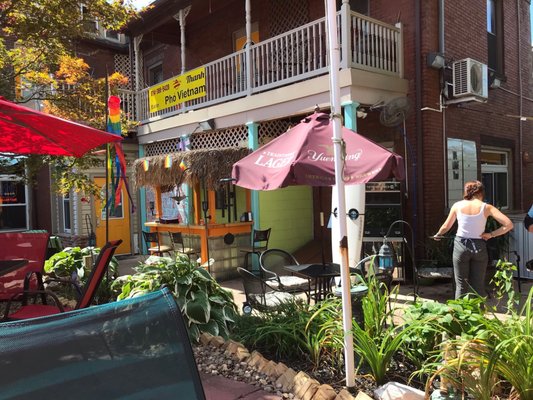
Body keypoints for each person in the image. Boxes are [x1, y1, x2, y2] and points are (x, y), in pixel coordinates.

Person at [433, 180, 513, 299]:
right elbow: (508, 224)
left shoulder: (457, 205)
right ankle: (479, 313)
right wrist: (491, 234)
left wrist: (438, 235)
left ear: (466, 192)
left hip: (461, 245)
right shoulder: (486, 207)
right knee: (478, 285)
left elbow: (446, 226)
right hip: (479, 246)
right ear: (481, 193)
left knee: (461, 285)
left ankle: (460, 315)